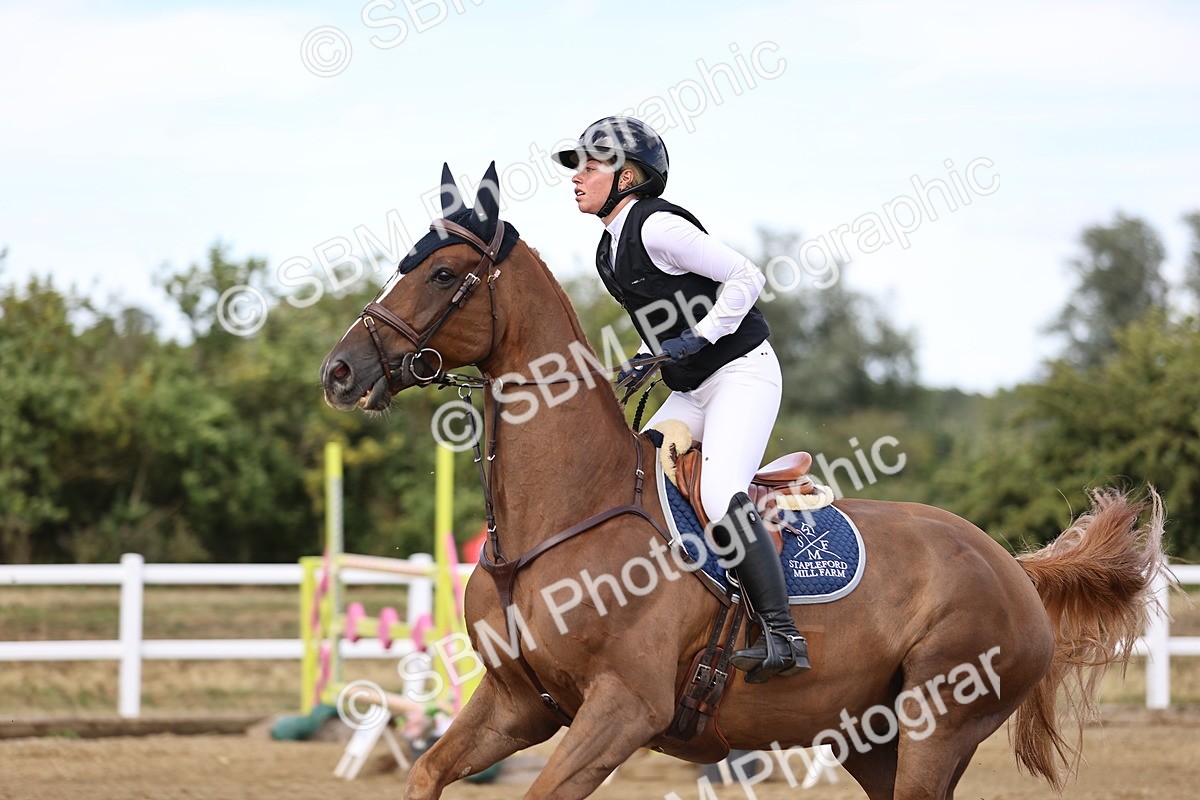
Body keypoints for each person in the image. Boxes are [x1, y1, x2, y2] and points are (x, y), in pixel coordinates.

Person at [552, 117, 810, 683]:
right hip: (692, 390)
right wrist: (649, 361)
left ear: (627, 176)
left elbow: (746, 276)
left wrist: (701, 335)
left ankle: (783, 634)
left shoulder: (657, 227)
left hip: (742, 373)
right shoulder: (608, 249)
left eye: (589, 165)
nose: (577, 176)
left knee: (719, 493)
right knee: (633, 473)